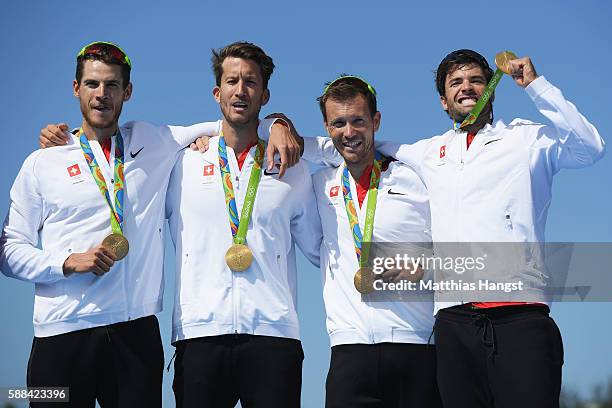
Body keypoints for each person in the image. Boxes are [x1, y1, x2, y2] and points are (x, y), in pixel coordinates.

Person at [275, 50, 605, 408]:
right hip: (453, 323)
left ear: (491, 89)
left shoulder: (527, 140)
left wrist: (537, 86)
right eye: (456, 83)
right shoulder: (429, 153)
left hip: (520, 315)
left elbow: (590, 147)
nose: (466, 88)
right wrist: (278, 127)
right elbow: (352, 144)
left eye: (476, 80)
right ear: (444, 102)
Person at [1, 41, 288, 408]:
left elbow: (233, 120)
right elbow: (8, 251)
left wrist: (278, 122)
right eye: (91, 84)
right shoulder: (42, 162)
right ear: (76, 89)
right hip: (59, 338)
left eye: (112, 86)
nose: (101, 95)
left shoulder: (155, 141)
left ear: (128, 91)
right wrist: (65, 263)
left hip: (134, 337)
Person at [164, 41, 322, 408]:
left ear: (265, 96)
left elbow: (323, 249)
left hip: (273, 336)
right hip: (199, 334)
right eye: (232, 81)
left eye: (250, 82)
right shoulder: (180, 165)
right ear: (217, 92)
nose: (241, 90)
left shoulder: (291, 168)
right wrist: (68, 143)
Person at [312, 76, 441, 407]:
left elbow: (452, 251)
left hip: (417, 348)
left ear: (376, 121)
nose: (349, 132)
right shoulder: (317, 185)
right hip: (349, 352)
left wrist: (423, 267)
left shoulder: (415, 180)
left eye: (358, 120)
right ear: (326, 127)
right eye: (338, 123)